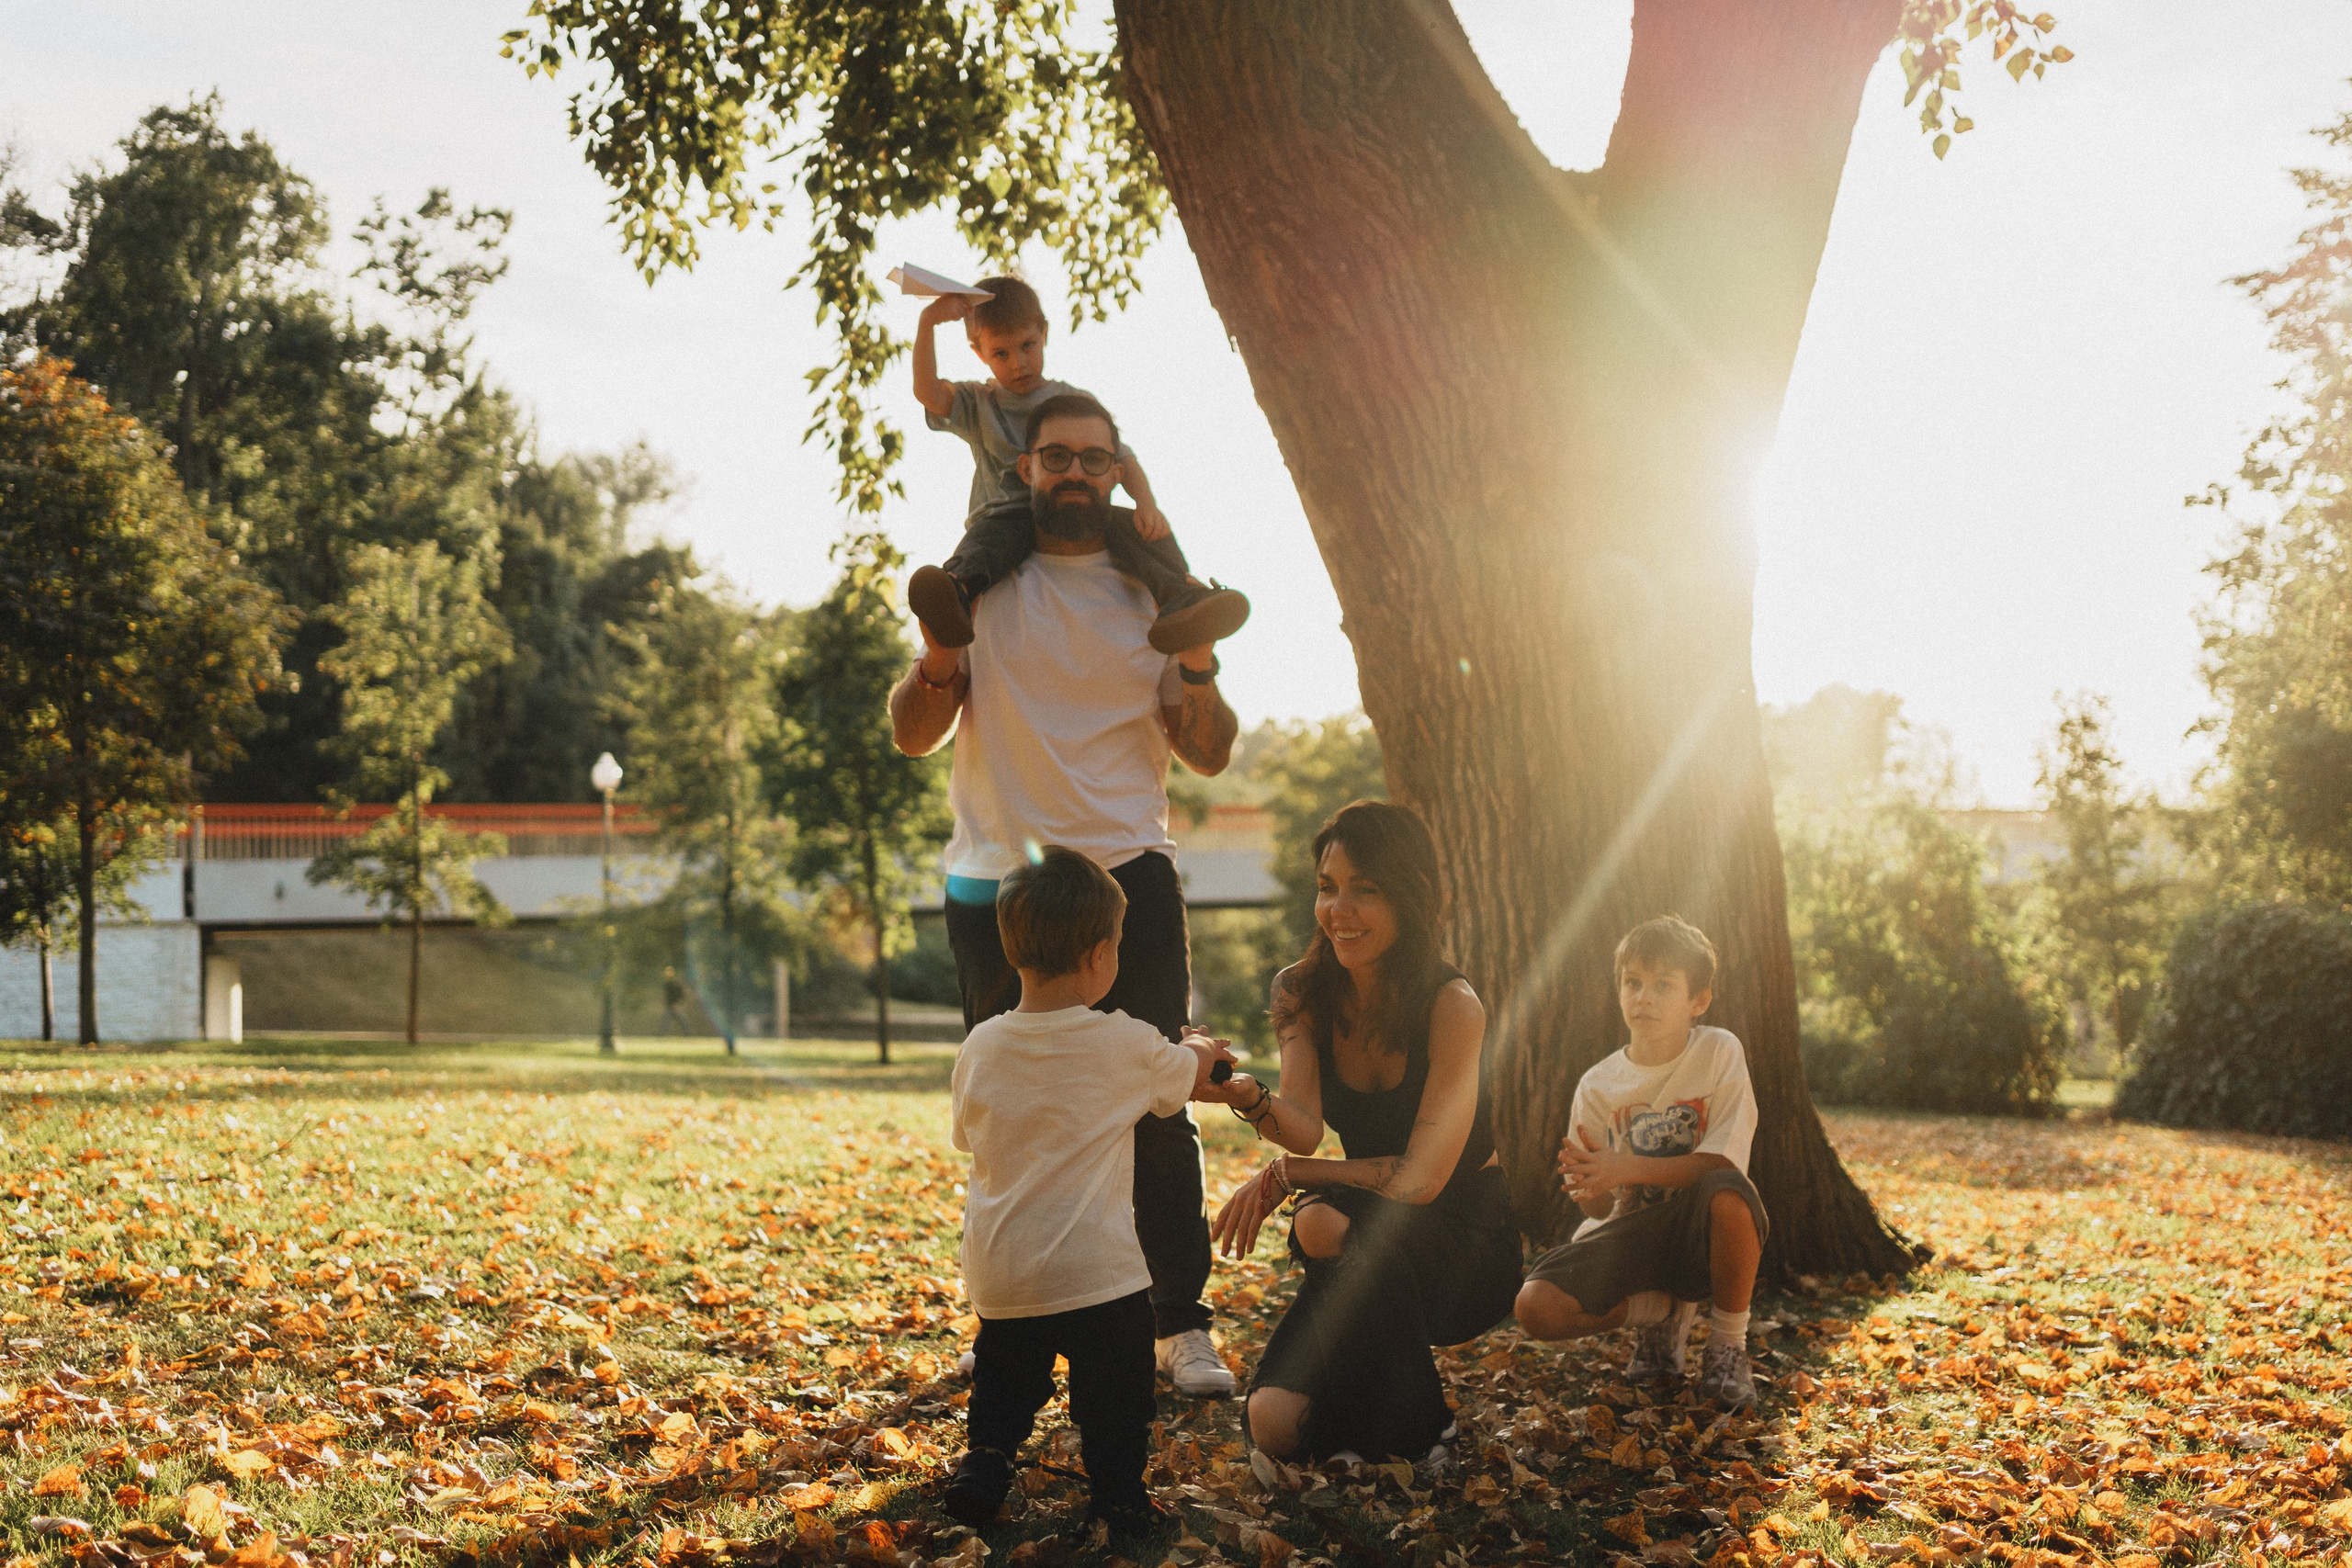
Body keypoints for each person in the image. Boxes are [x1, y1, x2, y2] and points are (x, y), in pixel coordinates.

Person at [889, 389, 1244, 1399]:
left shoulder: (1153, 599)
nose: (1076, 473)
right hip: (995, 879)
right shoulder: (977, 586)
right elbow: (912, 733)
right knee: (1016, 1111)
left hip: (1127, 872)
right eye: (1057, 457)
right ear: (1027, 470)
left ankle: (1179, 1328)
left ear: (1116, 467)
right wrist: (942, 656)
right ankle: (1017, 1325)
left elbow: (1208, 754)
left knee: (1158, 1103)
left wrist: (1199, 661)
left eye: (1094, 458)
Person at [1201, 800, 1521, 1466]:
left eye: (1365, 889)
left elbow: (1423, 1178)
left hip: (1462, 1244)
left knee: (1321, 1223)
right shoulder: (1299, 989)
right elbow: (1305, 1127)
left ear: (1411, 897)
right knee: (1273, 1422)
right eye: (1327, 886)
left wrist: (1290, 1177)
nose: (1338, 909)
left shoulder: (1452, 1006)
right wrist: (1243, 1092)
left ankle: (1428, 1428)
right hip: (1368, 1234)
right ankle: (1389, 1427)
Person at [944, 846, 1233, 1535]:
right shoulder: (1124, 1041)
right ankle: (1118, 1493)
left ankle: (984, 1461)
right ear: (1103, 955)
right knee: (1116, 1391)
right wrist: (1201, 1044)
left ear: (1013, 952)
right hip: (1098, 1272)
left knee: (1004, 1379)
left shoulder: (981, 1046)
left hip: (1003, 1268)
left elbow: (965, 1135)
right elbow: (1180, 1077)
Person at [906, 276, 1248, 655]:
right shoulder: (978, 402)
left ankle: (1180, 597)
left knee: (1142, 533)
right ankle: (956, 595)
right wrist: (928, 322)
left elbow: (1122, 457)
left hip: (1074, 503)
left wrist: (1146, 504)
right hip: (1006, 514)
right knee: (986, 546)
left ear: (1044, 334)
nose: (1018, 363)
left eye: (1027, 346)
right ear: (979, 353)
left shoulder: (1073, 400)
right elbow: (927, 391)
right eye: (1001, 354)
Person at [1512, 916, 1767, 1409]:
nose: (1643, 997)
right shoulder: (1598, 1084)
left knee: (1732, 1196)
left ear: (1699, 1001)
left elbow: (1723, 1162)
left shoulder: (1717, 1050)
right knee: (1535, 1307)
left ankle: (1727, 1348)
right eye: (1632, 983)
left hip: (1703, 1229)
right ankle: (1660, 1314)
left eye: (1663, 985)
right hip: (1632, 1233)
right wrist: (1592, 1188)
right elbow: (1597, 1207)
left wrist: (1624, 1167)